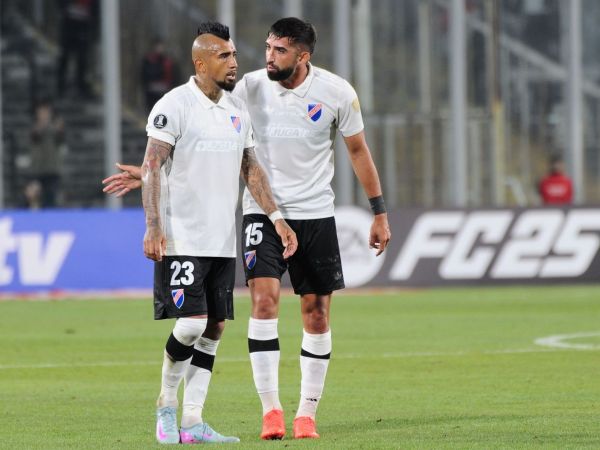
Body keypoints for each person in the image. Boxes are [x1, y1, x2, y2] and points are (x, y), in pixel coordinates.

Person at [103, 17, 391, 441]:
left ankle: (276, 416)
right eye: (265, 48)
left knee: (279, 317)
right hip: (227, 223)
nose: (262, 58)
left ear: (303, 56)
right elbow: (175, 146)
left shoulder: (325, 94)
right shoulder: (227, 93)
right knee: (244, 307)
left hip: (291, 219)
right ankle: (245, 409)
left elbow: (341, 153)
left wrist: (374, 211)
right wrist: (149, 183)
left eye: (278, 50)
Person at [135, 22, 297, 444]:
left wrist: (276, 217)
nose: (234, 62)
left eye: (234, 54)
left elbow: (250, 168)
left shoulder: (236, 109)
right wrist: (153, 225)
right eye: (224, 56)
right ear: (201, 63)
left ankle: (192, 420)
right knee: (192, 324)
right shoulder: (174, 105)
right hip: (182, 236)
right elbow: (152, 166)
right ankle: (165, 406)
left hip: (222, 240)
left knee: (214, 328)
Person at [27, 100, 66, 207]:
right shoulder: (34, 128)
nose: (44, 115)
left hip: (52, 170)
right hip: (37, 170)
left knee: (51, 198)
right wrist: (43, 124)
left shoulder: (55, 129)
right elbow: (35, 136)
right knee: (34, 197)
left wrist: (58, 128)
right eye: (41, 113)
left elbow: (61, 139)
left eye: (46, 113)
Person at [56, 0, 98, 97]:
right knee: (65, 55)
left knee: (82, 57)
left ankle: (80, 84)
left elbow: (96, 7)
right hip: (69, 22)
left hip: (83, 23)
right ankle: (61, 85)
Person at [141, 38, 176, 113]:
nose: (159, 49)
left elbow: (174, 76)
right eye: (158, 46)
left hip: (164, 91)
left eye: (161, 46)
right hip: (151, 92)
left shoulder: (168, 61)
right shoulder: (148, 60)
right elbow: (144, 75)